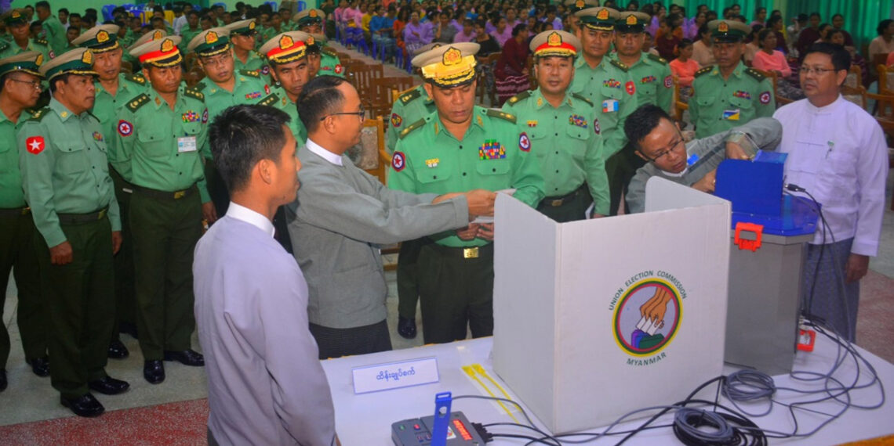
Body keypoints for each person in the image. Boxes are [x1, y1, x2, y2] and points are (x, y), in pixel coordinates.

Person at [287, 75, 495, 358]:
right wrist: (462, 209)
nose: (363, 119)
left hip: (362, 305)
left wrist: (447, 200)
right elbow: (383, 222)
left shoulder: (337, 163)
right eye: (358, 111)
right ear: (331, 122)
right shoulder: (312, 179)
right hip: (340, 316)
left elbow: (386, 197)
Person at [195, 105, 338, 446]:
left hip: (226, 428)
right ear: (266, 171)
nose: (299, 165)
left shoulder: (210, 240)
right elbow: (297, 387)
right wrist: (325, 439)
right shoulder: (272, 265)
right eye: (292, 155)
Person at [389, 43, 545, 344]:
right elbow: (401, 206)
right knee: (443, 347)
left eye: (465, 88)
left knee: (503, 347)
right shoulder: (411, 144)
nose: (458, 101)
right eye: (447, 92)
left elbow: (532, 185)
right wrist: (445, 220)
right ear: (430, 91)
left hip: (498, 259)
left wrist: (507, 220)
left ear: (476, 83)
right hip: (439, 263)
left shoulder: (507, 131)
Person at [18, 48, 129, 417]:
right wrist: (54, 238)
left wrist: (114, 223)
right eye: (83, 81)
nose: (91, 88)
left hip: (97, 227)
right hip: (66, 230)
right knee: (67, 313)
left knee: (100, 307)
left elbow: (105, 181)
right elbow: (38, 191)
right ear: (59, 86)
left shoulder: (91, 123)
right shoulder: (38, 127)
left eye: (92, 81)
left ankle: (95, 372)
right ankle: (70, 386)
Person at [115, 36, 213, 385]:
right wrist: (148, 181)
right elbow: (121, 158)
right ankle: (153, 353)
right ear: (146, 72)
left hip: (186, 203)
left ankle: (178, 343)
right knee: (150, 281)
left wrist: (197, 192)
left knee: (183, 276)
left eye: (175, 67)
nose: (172, 75)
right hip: (150, 204)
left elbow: (198, 151)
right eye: (162, 69)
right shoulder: (134, 110)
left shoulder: (197, 103)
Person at [774, 43, 887, 342]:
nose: (809, 76)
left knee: (830, 320)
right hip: (786, 236)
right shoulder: (785, 116)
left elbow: (873, 193)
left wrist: (862, 250)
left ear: (840, 77)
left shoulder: (861, 125)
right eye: (806, 69)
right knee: (782, 313)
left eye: (819, 70)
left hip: (835, 239)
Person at [72, 24, 148, 360]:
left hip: (140, 179)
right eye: (100, 57)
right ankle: (110, 328)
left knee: (136, 254)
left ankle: (132, 318)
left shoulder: (139, 90)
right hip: (100, 182)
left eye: (113, 54)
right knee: (107, 260)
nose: (108, 63)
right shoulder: (84, 97)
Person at [504, 29, 608, 221]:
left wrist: (602, 205)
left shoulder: (585, 111)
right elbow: (502, 165)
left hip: (574, 205)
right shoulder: (515, 110)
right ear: (536, 70)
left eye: (562, 65)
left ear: (573, 71)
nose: (554, 72)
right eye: (547, 64)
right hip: (527, 207)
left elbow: (594, 162)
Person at [623, 104, 781, 213]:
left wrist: (737, 138)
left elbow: (773, 126)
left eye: (675, 143)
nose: (673, 156)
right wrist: (695, 192)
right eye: (660, 154)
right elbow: (651, 226)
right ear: (642, 156)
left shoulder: (707, 149)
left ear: (679, 129)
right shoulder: (642, 185)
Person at [0, 52, 49, 392]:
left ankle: (37, 352)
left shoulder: (38, 123)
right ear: (8, 85)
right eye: (31, 83)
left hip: (34, 218)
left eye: (38, 83)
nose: (37, 89)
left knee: (35, 289)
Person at [189, 28, 271, 216]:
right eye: (211, 62)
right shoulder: (196, 99)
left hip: (260, 166)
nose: (221, 66)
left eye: (224, 58)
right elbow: (193, 151)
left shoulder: (256, 81)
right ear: (200, 64)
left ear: (232, 53)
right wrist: (203, 196)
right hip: (221, 174)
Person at [608, 10, 672, 215]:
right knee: (606, 198)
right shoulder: (603, 67)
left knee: (642, 199)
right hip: (611, 144)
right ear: (614, 37)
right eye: (624, 36)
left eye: (635, 36)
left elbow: (663, 110)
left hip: (646, 146)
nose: (629, 41)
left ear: (644, 38)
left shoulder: (659, 68)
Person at [570, 7, 637, 176]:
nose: (598, 40)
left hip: (609, 155)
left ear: (612, 38)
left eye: (605, 35)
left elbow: (628, 120)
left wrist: (603, 153)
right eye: (592, 33)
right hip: (568, 154)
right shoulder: (565, 68)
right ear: (579, 33)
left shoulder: (622, 74)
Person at [690, 20, 775, 139]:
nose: (722, 52)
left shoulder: (758, 83)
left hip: (739, 152)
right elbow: (695, 117)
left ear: (742, 48)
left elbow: (766, 124)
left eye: (730, 46)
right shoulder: (700, 81)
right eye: (717, 46)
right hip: (704, 149)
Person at [295, 9, 344, 78]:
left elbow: (340, 83)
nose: (312, 35)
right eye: (307, 31)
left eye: (316, 31)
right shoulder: (294, 58)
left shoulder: (331, 58)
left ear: (321, 33)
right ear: (299, 33)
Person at [494, 23, 530, 106]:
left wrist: (525, 69)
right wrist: (521, 71)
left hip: (518, 69)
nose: (528, 34)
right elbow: (510, 60)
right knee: (512, 81)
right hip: (505, 69)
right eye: (526, 31)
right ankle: (509, 104)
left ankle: (523, 104)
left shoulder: (525, 44)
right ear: (520, 32)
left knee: (525, 79)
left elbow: (525, 59)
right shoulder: (509, 43)